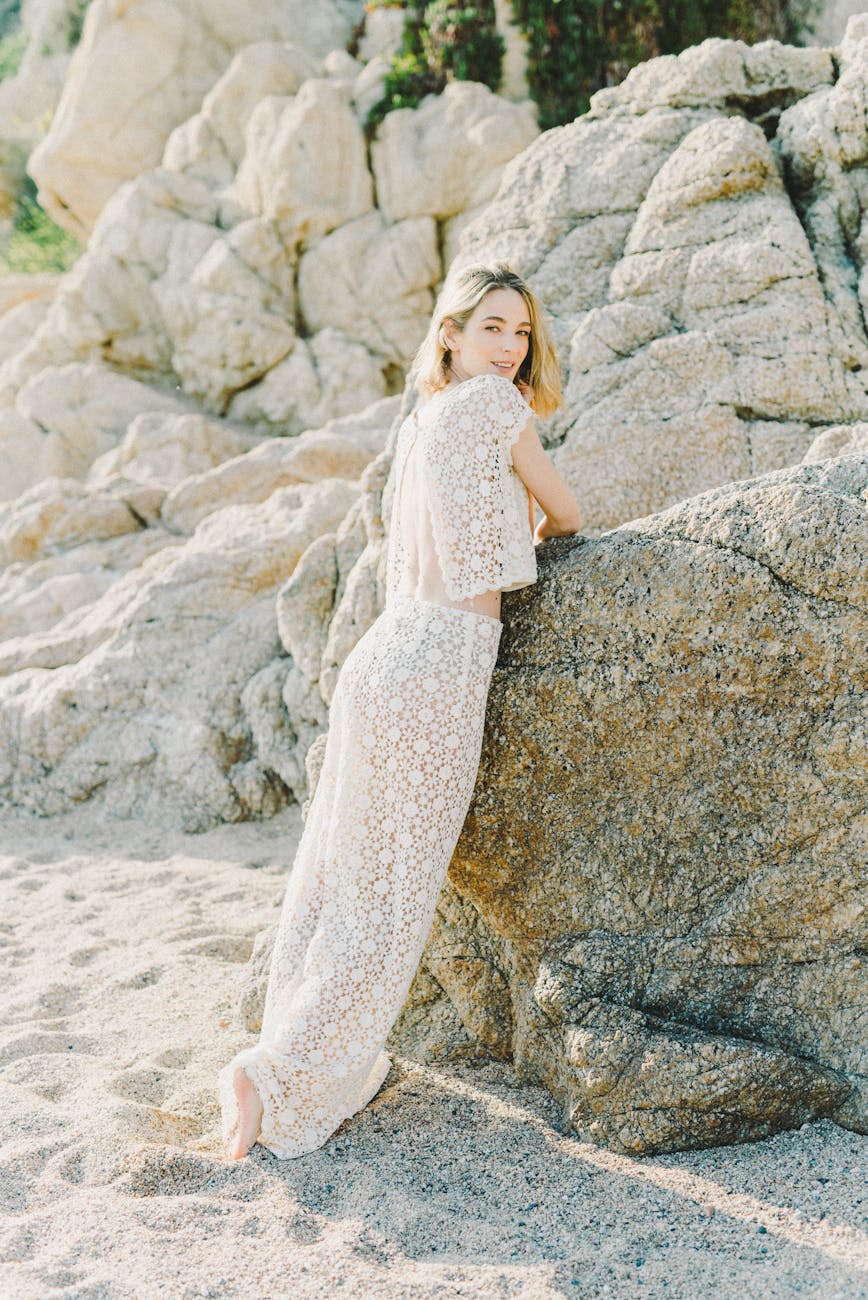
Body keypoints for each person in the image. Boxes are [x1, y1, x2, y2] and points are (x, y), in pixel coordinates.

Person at [218, 262, 582, 1160]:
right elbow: (568, 513)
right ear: (448, 334)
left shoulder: (420, 421)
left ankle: (291, 1057)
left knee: (338, 876)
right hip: (442, 663)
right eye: (491, 328)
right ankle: (277, 1075)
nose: (509, 348)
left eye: (521, 333)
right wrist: (528, 537)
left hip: (385, 654)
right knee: (388, 904)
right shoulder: (497, 409)